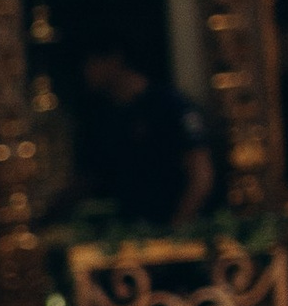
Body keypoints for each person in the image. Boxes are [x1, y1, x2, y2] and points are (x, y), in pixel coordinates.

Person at [71, 46, 214, 225]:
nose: (86, 71)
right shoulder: (100, 117)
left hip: (171, 230)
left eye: (91, 62)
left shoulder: (169, 106)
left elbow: (200, 175)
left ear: (114, 60)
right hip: (125, 233)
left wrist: (178, 226)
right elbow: (86, 181)